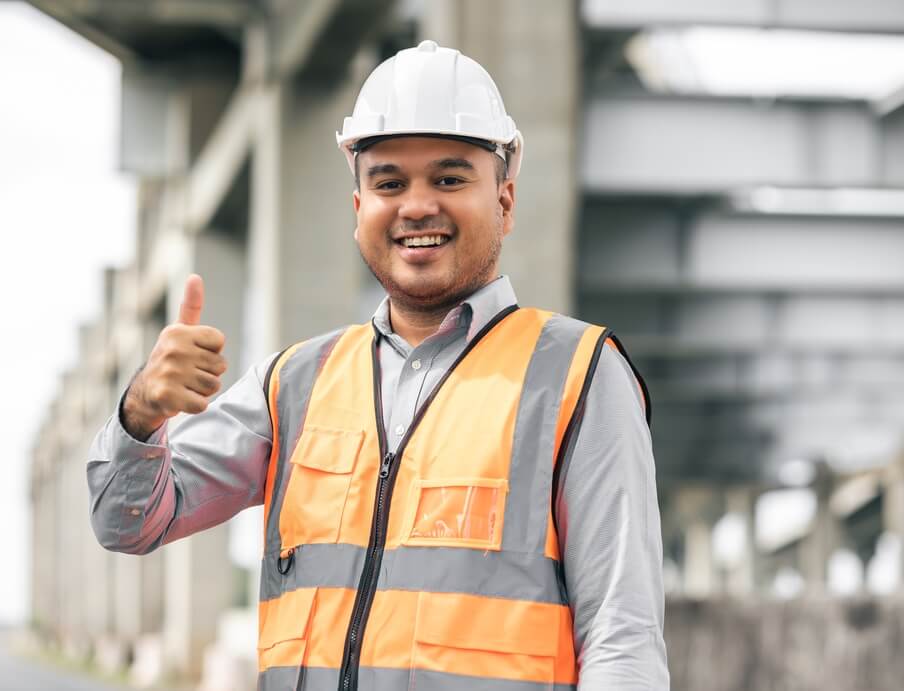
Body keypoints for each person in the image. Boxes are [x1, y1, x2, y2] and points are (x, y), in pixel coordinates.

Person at [88, 40, 669, 690]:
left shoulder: (577, 377)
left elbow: (624, 641)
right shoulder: (294, 386)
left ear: (505, 200)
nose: (416, 204)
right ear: (359, 207)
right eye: (389, 182)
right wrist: (142, 411)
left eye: (449, 178)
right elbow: (126, 521)